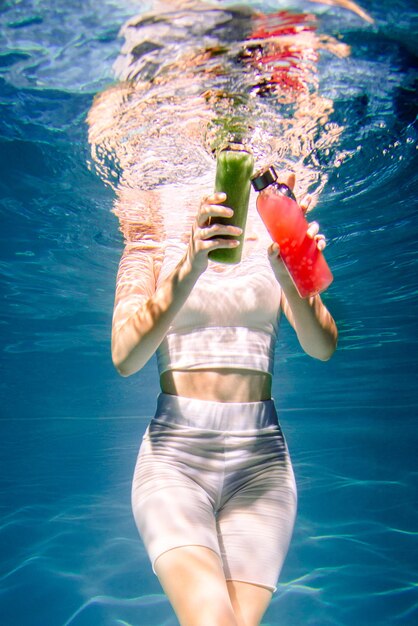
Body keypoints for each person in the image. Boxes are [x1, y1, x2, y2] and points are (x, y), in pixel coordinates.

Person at [88, 2, 377, 624]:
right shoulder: (155, 219)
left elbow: (323, 346)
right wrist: (188, 260)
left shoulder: (281, 211)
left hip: (263, 462)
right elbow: (124, 356)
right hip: (175, 459)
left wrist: (289, 273)